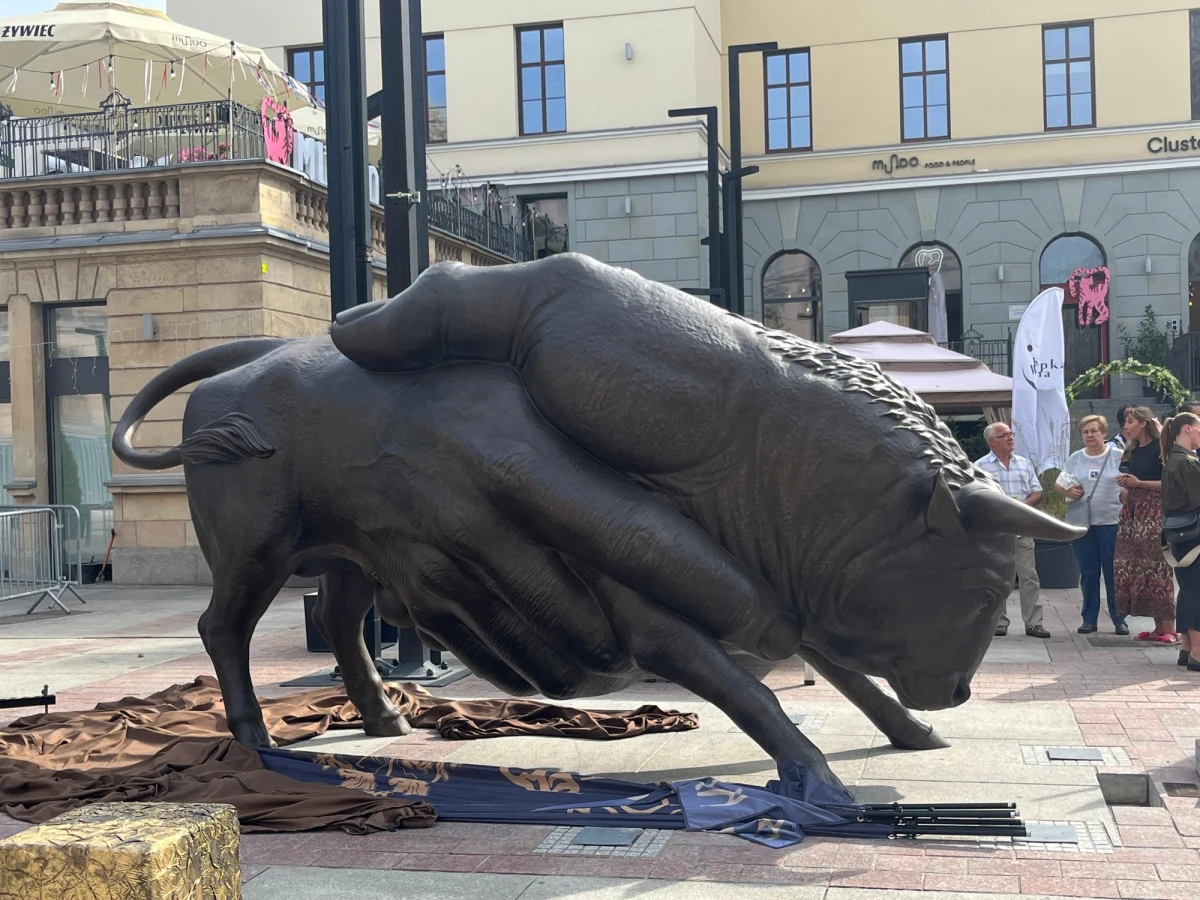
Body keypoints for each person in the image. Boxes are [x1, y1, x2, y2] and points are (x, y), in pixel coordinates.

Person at [975, 423, 1050, 638]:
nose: (1010, 438)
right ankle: (998, 622)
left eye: (1011, 434)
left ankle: (1034, 623)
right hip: (995, 534)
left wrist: (1024, 505)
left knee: (1029, 577)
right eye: (1004, 435)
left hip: (1022, 529)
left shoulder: (1024, 464)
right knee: (996, 579)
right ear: (992, 442)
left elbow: (1038, 492)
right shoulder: (980, 467)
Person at [1055, 415, 1126, 634]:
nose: (1089, 436)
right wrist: (1067, 491)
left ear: (1104, 433)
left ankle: (1119, 619)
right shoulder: (1076, 458)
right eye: (1085, 432)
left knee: (1114, 573)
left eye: (1094, 431)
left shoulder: (1118, 456)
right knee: (1088, 573)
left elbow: (1128, 482)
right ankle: (1089, 619)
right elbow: (1059, 482)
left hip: (1111, 522)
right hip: (1084, 524)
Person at [1114, 407, 1177, 644]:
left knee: (1158, 567)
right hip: (1133, 511)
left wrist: (1139, 483)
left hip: (1154, 511)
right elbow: (1130, 483)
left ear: (1142, 423)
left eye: (1130, 422)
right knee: (1139, 568)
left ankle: (1170, 628)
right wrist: (1126, 488)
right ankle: (1157, 627)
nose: (1125, 427)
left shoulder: (1161, 449)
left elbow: (1169, 483)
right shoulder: (1131, 450)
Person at [1159, 413, 1200, 670]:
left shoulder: (1172, 459)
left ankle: (1187, 647)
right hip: (1194, 534)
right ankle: (1197, 650)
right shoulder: (1186, 462)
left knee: (1189, 591)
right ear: (1188, 428)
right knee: (1196, 592)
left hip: (1181, 535)